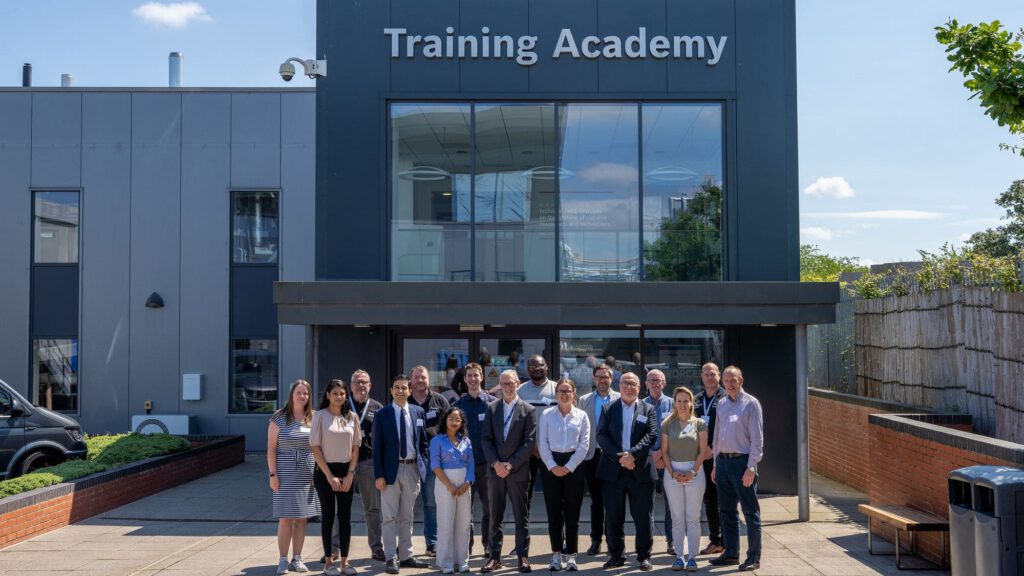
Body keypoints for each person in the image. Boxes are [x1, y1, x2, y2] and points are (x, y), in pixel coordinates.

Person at [595, 372, 658, 571]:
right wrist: (621, 458)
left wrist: (633, 455)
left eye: (633, 384)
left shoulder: (648, 409)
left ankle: (643, 557)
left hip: (640, 472)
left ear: (639, 387)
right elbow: (601, 435)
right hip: (613, 471)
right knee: (613, 517)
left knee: (643, 517)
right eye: (625, 383)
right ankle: (616, 556)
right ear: (619, 386)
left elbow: (652, 435)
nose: (629, 387)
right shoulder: (608, 408)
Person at [481, 369, 538, 574]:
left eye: (510, 383)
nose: (507, 387)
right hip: (495, 472)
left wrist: (510, 465)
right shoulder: (492, 408)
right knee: (495, 516)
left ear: (518, 384)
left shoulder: (528, 410)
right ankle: (494, 557)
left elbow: (529, 442)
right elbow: (486, 439)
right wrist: (496, 464)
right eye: (503, 383)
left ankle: (522, 557)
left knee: (521, 517)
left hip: (518, 471)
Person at [373, 374, 431, 575]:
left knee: (408, 515)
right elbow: (377, 448)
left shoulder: (418, 412)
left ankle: (406, 555)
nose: (400, 391)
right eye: (396, 387)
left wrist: (423, 465)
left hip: (412, 469)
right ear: (391, 391)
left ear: (410, 391)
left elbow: (423, 442)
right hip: (390, 471)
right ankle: (391, 557)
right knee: (389, 517)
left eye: (404, 387)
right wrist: (379, 475)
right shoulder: (382, 414)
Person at [709, 366, 764, 572]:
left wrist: (751, 467)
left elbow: (757, 439)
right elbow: (716, 436)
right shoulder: (722, 404)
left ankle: (753, 557)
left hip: (742, 464)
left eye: (733, 380)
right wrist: (715, 464)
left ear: (741, 381)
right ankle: (731, 553)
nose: (730, 384)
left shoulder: (751, 404)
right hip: (723, 463)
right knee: (726, 511)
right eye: (726, 380)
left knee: (750, 512)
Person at [537, 378, 590, 572]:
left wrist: (568, 467)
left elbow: (584, 444)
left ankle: (572, 556)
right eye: (561, 391)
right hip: (550, 465)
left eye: (568, 391)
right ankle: (556, 555)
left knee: (572, 514)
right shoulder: (547, 415)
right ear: (556, 393)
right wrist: (552, 466)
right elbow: (542, 443)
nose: (564, 394)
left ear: (574, 393)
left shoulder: (582, 415)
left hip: (574, 466)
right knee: (554, 513)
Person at [267, 379, 320, 575]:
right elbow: (271, 449)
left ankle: (297, 558)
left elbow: (318, 448)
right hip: (284, 474)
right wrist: (273, 474)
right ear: (292, 395)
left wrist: (317, 473)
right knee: (285, 517)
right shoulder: (279, 417)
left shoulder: (313, 418)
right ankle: (282, 559)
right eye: (299, 392)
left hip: (307, 475)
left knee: (302, 518)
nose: (302, 396)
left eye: (305, 393)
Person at [310, 380, 361, 576]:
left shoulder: (352, 417)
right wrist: (329, 476)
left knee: (345, 517)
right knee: (328, 516)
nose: (339, 396)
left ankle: (345, 563)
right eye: (335, 393)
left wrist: (350, 474)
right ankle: (328, 563)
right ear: (328, 395)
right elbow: (315, 448)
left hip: (346, 470)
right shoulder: (319, 416)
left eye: (342, 393)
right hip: (325, 472)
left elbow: (355, 448)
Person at [661, 387, 711, 572]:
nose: (682, 404)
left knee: (693, 518)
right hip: (672, 473)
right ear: (674, 403)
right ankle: (679, 557)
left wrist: (692, 472)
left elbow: (703, 451)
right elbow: (664, 452)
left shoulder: (700, 424)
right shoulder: (667, 423)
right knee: (677, 518)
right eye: (679, 401)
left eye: (686, 401)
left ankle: (692, 558)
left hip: (694, 473)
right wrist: (672, 472)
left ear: (691, 403)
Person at [575, 364, 620, 555]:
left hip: (613, 456)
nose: (602, 380)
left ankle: (612, 540)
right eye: (599, 377)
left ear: (611, 378)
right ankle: (596, 540)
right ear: (594, 379)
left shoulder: (620, 398)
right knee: (596, 501)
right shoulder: (584, 400)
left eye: (605, 377)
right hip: (592, 455)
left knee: (613, 500)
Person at [453, 362, 497, 555]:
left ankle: (488, 544)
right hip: (465, 465)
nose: (472, 379)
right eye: (469, 375)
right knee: (465, 510)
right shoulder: (457, 406)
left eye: (475, 375)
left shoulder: (493, 404)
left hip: (487, 464)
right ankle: (466, 546)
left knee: (489, 508)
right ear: (464, 379)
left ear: (482, 377)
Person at [408, 365, 451, 557]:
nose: (420, 380)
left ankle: (432, 542)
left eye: (423, 377)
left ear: (429, 379)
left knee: (431, 503)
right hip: (409, 459)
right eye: (416, 377)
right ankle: (404, 545)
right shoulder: (404, 401)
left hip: (433, 459)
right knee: (406, 504)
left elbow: (451, 428)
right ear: (411, 380)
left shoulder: (439, 401)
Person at [430, 407, 475, 574]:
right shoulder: (437, 440)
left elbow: (471, 463)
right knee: (446, 523)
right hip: (444, 484)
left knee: (464, 524)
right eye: (451, 419)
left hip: (464, 485)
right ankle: (446, 562)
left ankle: (462, 561)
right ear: (445, 420)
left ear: (462, 422)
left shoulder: (466, 441)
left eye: (458, 419)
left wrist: (467, 483)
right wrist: (449, 485)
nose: (454, 422)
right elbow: (435, 465)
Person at [515, 354, 557, 509]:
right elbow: (517, 423)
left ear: (546, 367)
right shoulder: (520, 391)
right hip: (527, 451)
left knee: (553, 494)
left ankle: (555, 525)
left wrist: (544, 446)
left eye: (540, 365)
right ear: (527, 370)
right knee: (525, 494)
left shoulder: (557, 389)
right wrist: (532, 446)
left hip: (552, 449)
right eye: (532, 367)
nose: (536, 369)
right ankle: (524, 525)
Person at [694, 362, 725, 556]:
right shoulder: (696, 399)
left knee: (725, 500)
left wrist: (713, 449)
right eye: (706, 374)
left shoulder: (726, 398)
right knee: (710, 500)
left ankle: (728, 541)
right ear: (701, 376)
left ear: (718, 375)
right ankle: (716, 540)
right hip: (701, 457)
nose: (709, 377)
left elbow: (728, 428)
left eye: (713, 374)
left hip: (720, 456)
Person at [642, 369, 674, 555]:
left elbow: (676, 432)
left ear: (664, 383)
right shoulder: (639, 405)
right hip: (646, 461)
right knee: (646, 504)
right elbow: (637, 433)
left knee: (672, 504)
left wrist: (660, 453)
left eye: (658, 380)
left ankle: (672, 541)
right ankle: (647, 543)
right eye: (651, 380)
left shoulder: (673, 404)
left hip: (668, 461)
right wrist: (652, 454)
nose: (655, 383)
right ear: (646, 383)